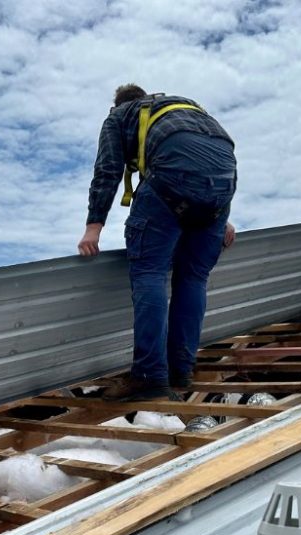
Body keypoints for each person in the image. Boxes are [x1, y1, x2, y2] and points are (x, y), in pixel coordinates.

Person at [78, 83, 237, 402]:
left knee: (149, 272)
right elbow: (207, 157)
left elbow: (108, 168)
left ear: (118, 103)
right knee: (193, 277)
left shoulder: (120, 116)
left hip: (173, 179)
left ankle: (149, 375)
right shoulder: (184, 104)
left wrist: (93, 227)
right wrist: (218, 216)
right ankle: (181, 370)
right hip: (222, 184)